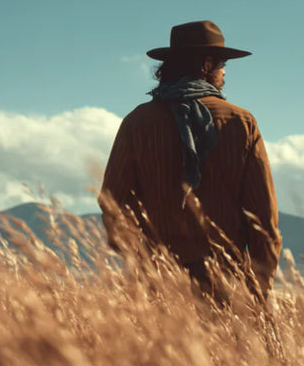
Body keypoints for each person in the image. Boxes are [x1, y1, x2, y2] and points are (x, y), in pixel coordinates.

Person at [99, 20, 280, 306]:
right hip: (226, 283)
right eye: (223, 66)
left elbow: (112, 202)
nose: (224, 74)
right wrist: (258, 289)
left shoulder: (137, 122)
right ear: (207, 65)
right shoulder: (241, 122)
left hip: (158, 282)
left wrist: (140, 261)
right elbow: (263, 218)